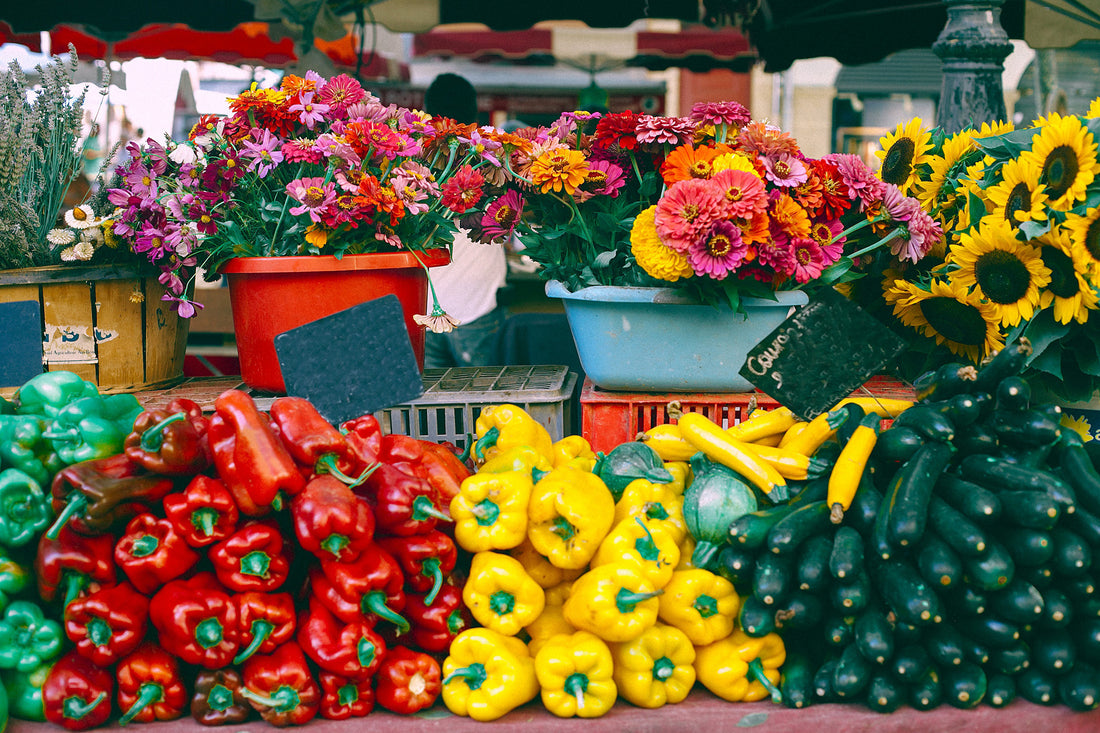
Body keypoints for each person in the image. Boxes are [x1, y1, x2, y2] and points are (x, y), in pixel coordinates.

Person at [421, 73, 508, 369]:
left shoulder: (411, 161)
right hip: (476, 304)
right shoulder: (492, 159)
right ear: (474, 111)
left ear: (427, 109)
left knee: (429, 407)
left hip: (425, 305)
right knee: (485, 402)